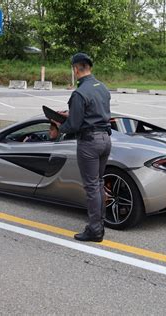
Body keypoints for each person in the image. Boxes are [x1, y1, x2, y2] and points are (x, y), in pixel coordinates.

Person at [53, 52, 111, 242]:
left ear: (76, 69)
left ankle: (95, 230)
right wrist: (72, 113)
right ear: (89, 67)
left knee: (92, 186)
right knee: (99, 183)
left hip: (89, 143)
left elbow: (75, 125)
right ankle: (100, 223)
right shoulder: (102, 88)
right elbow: (94, 111)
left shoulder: (79, 93)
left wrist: (59, 125)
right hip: (105, 140)